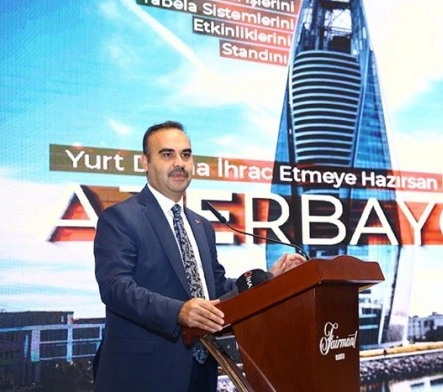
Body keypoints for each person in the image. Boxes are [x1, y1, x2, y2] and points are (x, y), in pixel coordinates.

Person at [92, 121, 305, 391]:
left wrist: (268, 279)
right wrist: (178, 312)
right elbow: (116, 287)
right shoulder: (120, 217)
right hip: (143, 374)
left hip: (201, 371)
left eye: (186, 154)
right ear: (145, 162)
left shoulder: (201, 225)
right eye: (167, 154)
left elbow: (216, 289)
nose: (179, 163)